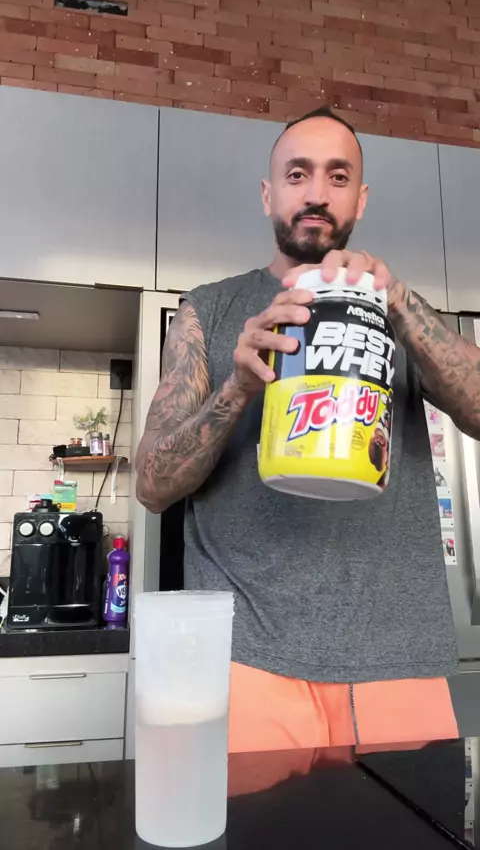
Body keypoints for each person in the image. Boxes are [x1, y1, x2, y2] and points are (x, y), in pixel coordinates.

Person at [136, 107, 480, 755]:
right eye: (297, 175)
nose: (317, 193)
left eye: (337, 176)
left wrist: (399, 303)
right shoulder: (208, 310)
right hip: (248, 659)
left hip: (399, 659)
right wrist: (238, 387)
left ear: (361, 199)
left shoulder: (400, 311)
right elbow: (153, 485)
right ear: (269, 194)